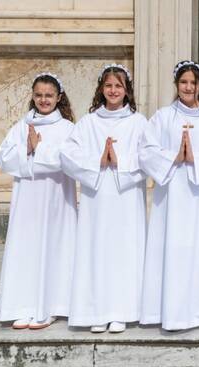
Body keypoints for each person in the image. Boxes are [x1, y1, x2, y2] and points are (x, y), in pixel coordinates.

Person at [139, 60, 199, 331]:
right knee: (175, 249)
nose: (188, 87)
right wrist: (174, 157)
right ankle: (172, 312)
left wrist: (196, 159)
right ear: (177, 84)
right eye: (183, 82)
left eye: (193, 82)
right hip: (173, 196)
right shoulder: (163, 117)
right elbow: (146, 150)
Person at [61, 64, 147, 333]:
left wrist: (120, 162)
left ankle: (122, 310)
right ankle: (96, 310)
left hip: (126, 197)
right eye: (109, 86)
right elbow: (68, 156)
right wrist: (97, 162)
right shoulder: (87, 123)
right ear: (101, 89)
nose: (113, 91)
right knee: (96, 249)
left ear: (127, 91)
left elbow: (148, 156)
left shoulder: (138, 123)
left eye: (118, 86)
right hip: (96, 197)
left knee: (124, 251)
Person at [0, 72, 77, 329]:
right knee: (27, 248)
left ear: (58, 97)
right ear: (32, 96)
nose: (44, 100)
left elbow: (68, 160)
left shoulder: (67, 128)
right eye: (39, 95)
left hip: (55, 200)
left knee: (52, 247)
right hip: (27, 200)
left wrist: (38, 150)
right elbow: (4, 157)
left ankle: (51, 306)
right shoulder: (22, 126)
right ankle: (23, 305)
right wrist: (28, 149)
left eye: (49, 95)